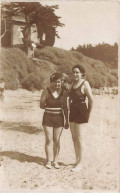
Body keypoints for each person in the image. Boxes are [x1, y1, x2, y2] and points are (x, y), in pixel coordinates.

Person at [40, 72, 69, 169]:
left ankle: (55, 161)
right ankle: (48, 161)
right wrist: (50, 108)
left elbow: (65, 107)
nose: (57, 84)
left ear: (61, 82)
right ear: (51, 82)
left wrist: (67, 121)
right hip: (48, 117)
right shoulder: (46, 91)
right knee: (49, 140)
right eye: (55, 82)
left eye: (59, 82)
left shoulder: (64, 92)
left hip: (59, 118)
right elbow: (41, 105)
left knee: (57, 140)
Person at [68, 64, 93, 172]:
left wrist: (88, 113)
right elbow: (67, 95)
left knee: (80, 138)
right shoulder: (72, 83)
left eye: (77, 72)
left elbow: (91, 100)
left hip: (81, 111)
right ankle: (77, 161)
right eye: (73, 72)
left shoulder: (85, 83)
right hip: (73, 111)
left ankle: (81, 164)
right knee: (74, 138)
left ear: (82, 73)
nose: (75, 74)